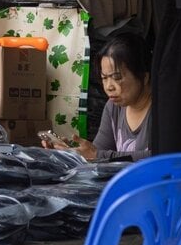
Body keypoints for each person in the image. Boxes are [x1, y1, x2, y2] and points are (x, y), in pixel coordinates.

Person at [43, 32, 152, 161]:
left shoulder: (164, 111)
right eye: (104, 78)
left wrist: (97, 155)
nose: (108, 87)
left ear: (144, 77)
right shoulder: (113, 107)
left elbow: (162, 156)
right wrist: (71, 152)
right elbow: (98, 153)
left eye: (117, 78)